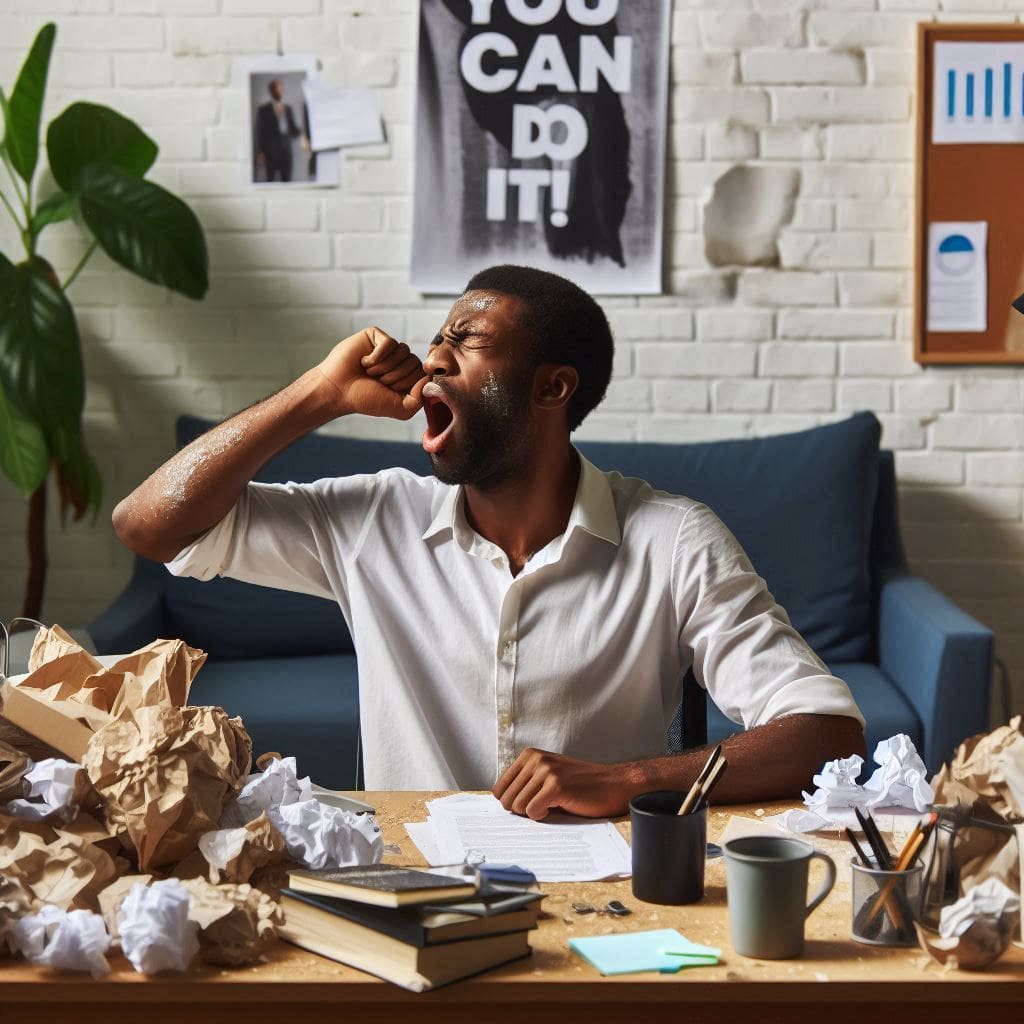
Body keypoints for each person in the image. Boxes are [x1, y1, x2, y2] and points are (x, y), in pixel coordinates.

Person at [112, 265, 865, 820]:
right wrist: (322, 394)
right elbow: (148, 526)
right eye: (438, 338)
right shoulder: (375, 518)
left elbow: (825, 732)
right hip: (412, 886)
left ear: (551, 388)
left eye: (467, 342)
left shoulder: (672, 539)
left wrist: (629, 780)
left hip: (600, 895)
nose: (433, 357)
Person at [254, 78, 304, 183]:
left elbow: (293, 131)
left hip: (286, 152)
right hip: (270, 152)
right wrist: (260, 152)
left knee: (287, 181)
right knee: (270, 181)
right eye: (278, 89)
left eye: (281, 89)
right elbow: (259, 132)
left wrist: (304, 129)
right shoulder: (263, 110)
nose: (280, 91)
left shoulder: (288, 109)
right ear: (271, 91)